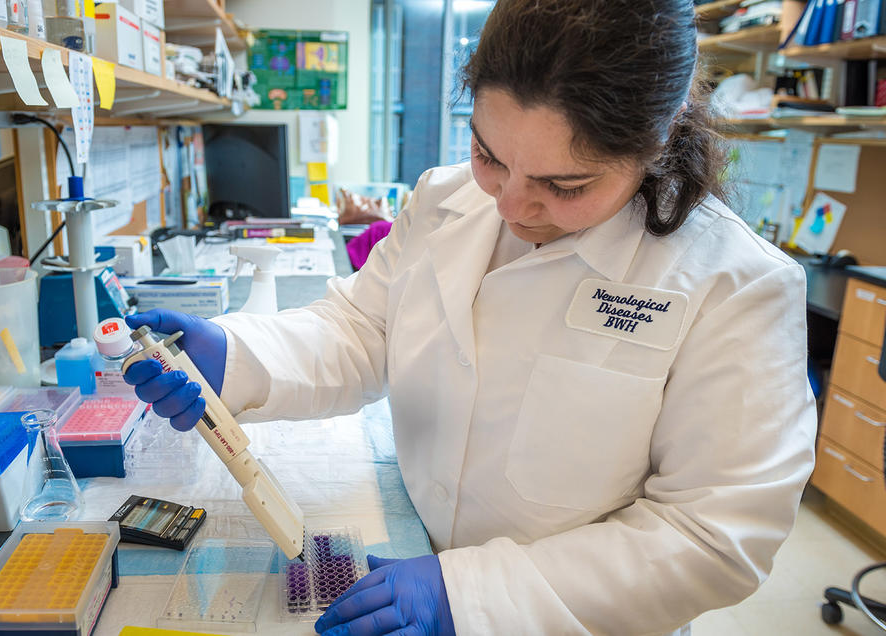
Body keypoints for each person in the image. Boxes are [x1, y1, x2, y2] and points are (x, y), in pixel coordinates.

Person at [123, 0, 817, 633]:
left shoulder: (737, 285)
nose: (512, 205)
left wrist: (473, 596)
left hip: (566, 614)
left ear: (656, 138)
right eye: (490, 153)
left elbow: (711, 536)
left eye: (565, 185)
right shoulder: (443, 197)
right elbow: (364, 330)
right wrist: (237, 356)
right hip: (410, 551)